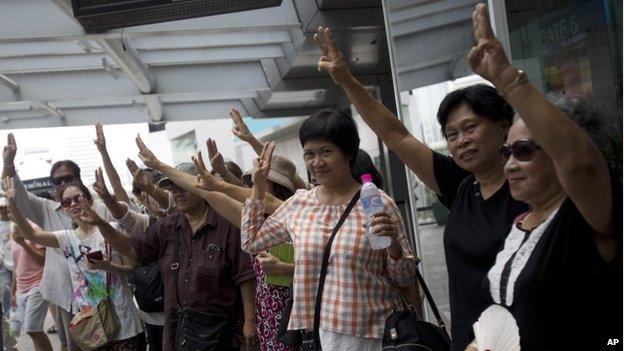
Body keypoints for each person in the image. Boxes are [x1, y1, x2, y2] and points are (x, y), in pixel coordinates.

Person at [313, 25, 528, 350]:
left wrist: (510, 80)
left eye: (470, 127)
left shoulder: (533, 192)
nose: (461, 141)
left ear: (503, 127)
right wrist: (346, 80)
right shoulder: (460, 185)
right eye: (452, 134)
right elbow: (396, 135)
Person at [466, 4, 621, 349]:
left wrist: (506, 78)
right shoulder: (521, 222)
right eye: (507, 153)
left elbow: (581, 162)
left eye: (523, 152)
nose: (509, 165)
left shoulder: (587, 215)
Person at [241, 109, 416, 349]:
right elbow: (251, 242)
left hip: (368, 335)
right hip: (315, 334)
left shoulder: (377, 202)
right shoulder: (299, 204)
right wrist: (258, 188)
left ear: (348, 153)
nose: (316, 162)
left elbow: (405, 277)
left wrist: (394, 246)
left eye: (326, 152)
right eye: (309, 154)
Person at [83, 150, 257, 351]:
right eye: (172, 188)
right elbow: (131, 247)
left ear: (201, 187)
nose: (177, 193)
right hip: (178, 331)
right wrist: (100, 223)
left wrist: (250, 321)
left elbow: (244, 276)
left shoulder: (227, 225)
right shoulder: (168, 227)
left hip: (221, 334)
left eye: (182, 186)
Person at [2, 134, 115, 351]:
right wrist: (8, 163)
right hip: (68, 296)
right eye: (57, 181)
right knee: (73, 345)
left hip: (104, 295)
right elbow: (14, 193)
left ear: (79, 180)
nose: (63, 184)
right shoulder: (45, 209)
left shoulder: (100, 211)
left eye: (68, 179)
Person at [4, 179, 146, 350]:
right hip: (93, 326)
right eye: (66, 201)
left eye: (77, 198)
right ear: (63, 208)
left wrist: (109, 267)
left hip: (124, 323)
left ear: (89, 200)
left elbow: (132, 270)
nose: (73, 204)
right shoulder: (66, 238)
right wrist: (12, 203)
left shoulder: (112, 228)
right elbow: (31, 234)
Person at [8, 214, 52, 351]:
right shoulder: (13, 232)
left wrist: (23, 243)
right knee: (34, 332)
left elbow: (43, 261)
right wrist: (13, 290)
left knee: (32, 329)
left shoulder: (33, 229)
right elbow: (17, 264)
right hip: (21, 288)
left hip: (37, 284)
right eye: (7, 209)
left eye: (11, 208)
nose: (9, 212)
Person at [0, 198, 17, 351]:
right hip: (3, 265)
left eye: (4, 207)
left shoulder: (14, 223)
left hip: (17, 262)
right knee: (5, 292)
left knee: (15, 294)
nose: (2, 210)